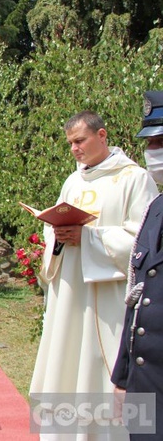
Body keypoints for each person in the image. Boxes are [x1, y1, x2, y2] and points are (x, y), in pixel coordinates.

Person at [30, 111, 158, 440]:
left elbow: (143, 241)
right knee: (67, 359)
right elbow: (53, 230)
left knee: (103, 365)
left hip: (109, 298)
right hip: (70, 292)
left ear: (101, 136)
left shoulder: (135, 178)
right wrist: (56, 237)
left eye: (80, 140)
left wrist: (88, 238)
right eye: (70, 143)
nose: (74, 149)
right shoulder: (73, 181)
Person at [112, 91, 163, 439]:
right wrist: (123, 375)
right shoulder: (154, 209)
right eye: (151, 143)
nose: (154, 153)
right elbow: (137, 298)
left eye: (161, 141)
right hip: (145, 383)